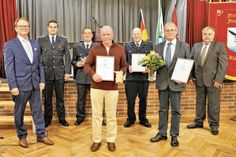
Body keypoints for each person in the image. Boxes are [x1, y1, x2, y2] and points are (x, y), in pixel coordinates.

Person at [4, 17, 54, 148]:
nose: (24, 28)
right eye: (21, 26)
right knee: (19, 112)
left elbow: (39, 65)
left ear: (29, 28)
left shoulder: (35, 44)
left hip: (35, 84)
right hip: (20, 86)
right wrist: (13, 86)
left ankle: (41, 135)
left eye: (26, 26)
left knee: (38, 111)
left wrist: (42, 80)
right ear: (16, 29)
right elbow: (9, 68)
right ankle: (22, 136)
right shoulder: (10, 45)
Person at [84, 26, 127, 152]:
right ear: (100, 36)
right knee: (97, 115)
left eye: (108, 34)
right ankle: (96, 140)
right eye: (104, 35)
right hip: (96, 87)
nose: (106, 37)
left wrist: (121, 72)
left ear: (112, 35)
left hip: (113, 88)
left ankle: (111, 140)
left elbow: (125, 65)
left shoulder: (120, 49)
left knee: (111, 116)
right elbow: (87, 65)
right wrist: (93, 74)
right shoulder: (94, 49)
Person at [150, 22, 190, 147]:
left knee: (176, 111)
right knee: (162, 110)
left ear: (177, 32)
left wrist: (183, 78)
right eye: (167, 30)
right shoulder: (157, 47)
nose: (170, 32)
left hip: (176, 84)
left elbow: (189, 65)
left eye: (172, 30)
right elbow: (153, 67)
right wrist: (150, 67)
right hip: (162, 84)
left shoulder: (184, 46)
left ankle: (174, 135)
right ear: (164, 32)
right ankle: (162, 133)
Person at [187, 26, 228, 135]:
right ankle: (199, 121)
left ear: (213, 35)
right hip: (198, 80)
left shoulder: (219, 46)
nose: (207, 36)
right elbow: (190, 62)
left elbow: (223, 64)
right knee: (199, 102)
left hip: (213, 81)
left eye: (209, 34)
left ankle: (214, 125)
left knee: (213, 104)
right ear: (202, 35)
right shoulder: (196, 46)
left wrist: (219, 79)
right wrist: (190, 76)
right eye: (205, 34)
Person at [37, 20, 71, 127]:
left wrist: (68, 72)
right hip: (46, 74)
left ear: (57, 28)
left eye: (55, 27)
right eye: (51, 27)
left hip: (60, 74)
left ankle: (62, 119)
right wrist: (39, 74)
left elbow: (67, 57)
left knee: (60, 98)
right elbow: (37, 58)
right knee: (47, 99)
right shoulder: (41, 40)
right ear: (47, 28)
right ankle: (47, 120)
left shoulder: (63, 40)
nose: (52, 28)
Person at [123, 27, 153, 128]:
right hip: (130, 78)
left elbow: (151, 59)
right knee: (130, 100)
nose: (136, 36)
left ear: (141, 35)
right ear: (132, 35)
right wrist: (128, 67)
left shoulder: (148, 45)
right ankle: (130, 119)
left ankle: (143, 119)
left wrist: (149, 67)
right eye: (134, 34)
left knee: (143, 100)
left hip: (143, 78)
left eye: (138, 34)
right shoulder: (127, 46)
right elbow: (123, 61)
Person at [71, 27, 96, 126]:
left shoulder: (97, 46)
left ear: (92, 35)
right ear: (83, 35)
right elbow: (73, 60)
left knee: (95, 99)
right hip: (81, 77)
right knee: (80, 100)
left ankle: (97, 118)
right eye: (85, 33)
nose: (87, 35)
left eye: (89, 33)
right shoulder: (77, 47)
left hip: (93, 77)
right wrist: (77, 64)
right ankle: (80, 117)